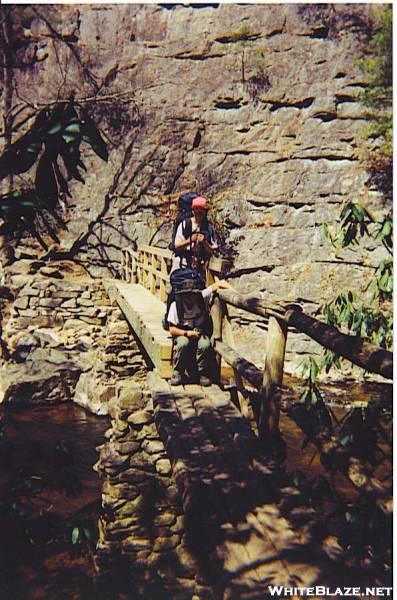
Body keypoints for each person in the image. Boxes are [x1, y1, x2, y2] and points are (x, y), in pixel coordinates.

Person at [167, 278, 231, 386]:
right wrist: (187, 333)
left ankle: (203, 373)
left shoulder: (201, 299)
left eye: (192, 294)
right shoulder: (175, 306)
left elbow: (219, 284)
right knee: (183, 343)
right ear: (182, 295)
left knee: (205, 344)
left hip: (199, 332)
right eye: (187, 295)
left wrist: (240, 295)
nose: (190, 297)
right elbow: (172, 329)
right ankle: (178, 372)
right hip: (183, 334)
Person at [170, 196, 218, 280]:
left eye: (201, 210)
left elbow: (212, 251)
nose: (199, 212)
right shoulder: (185, 224)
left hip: (200, 268)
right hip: (182, 264)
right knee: (178, 290)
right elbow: (176, 245)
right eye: (196, 209)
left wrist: (204, 242)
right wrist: (190, 240)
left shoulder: (209, 228)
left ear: (205, 211)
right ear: (193, 211)